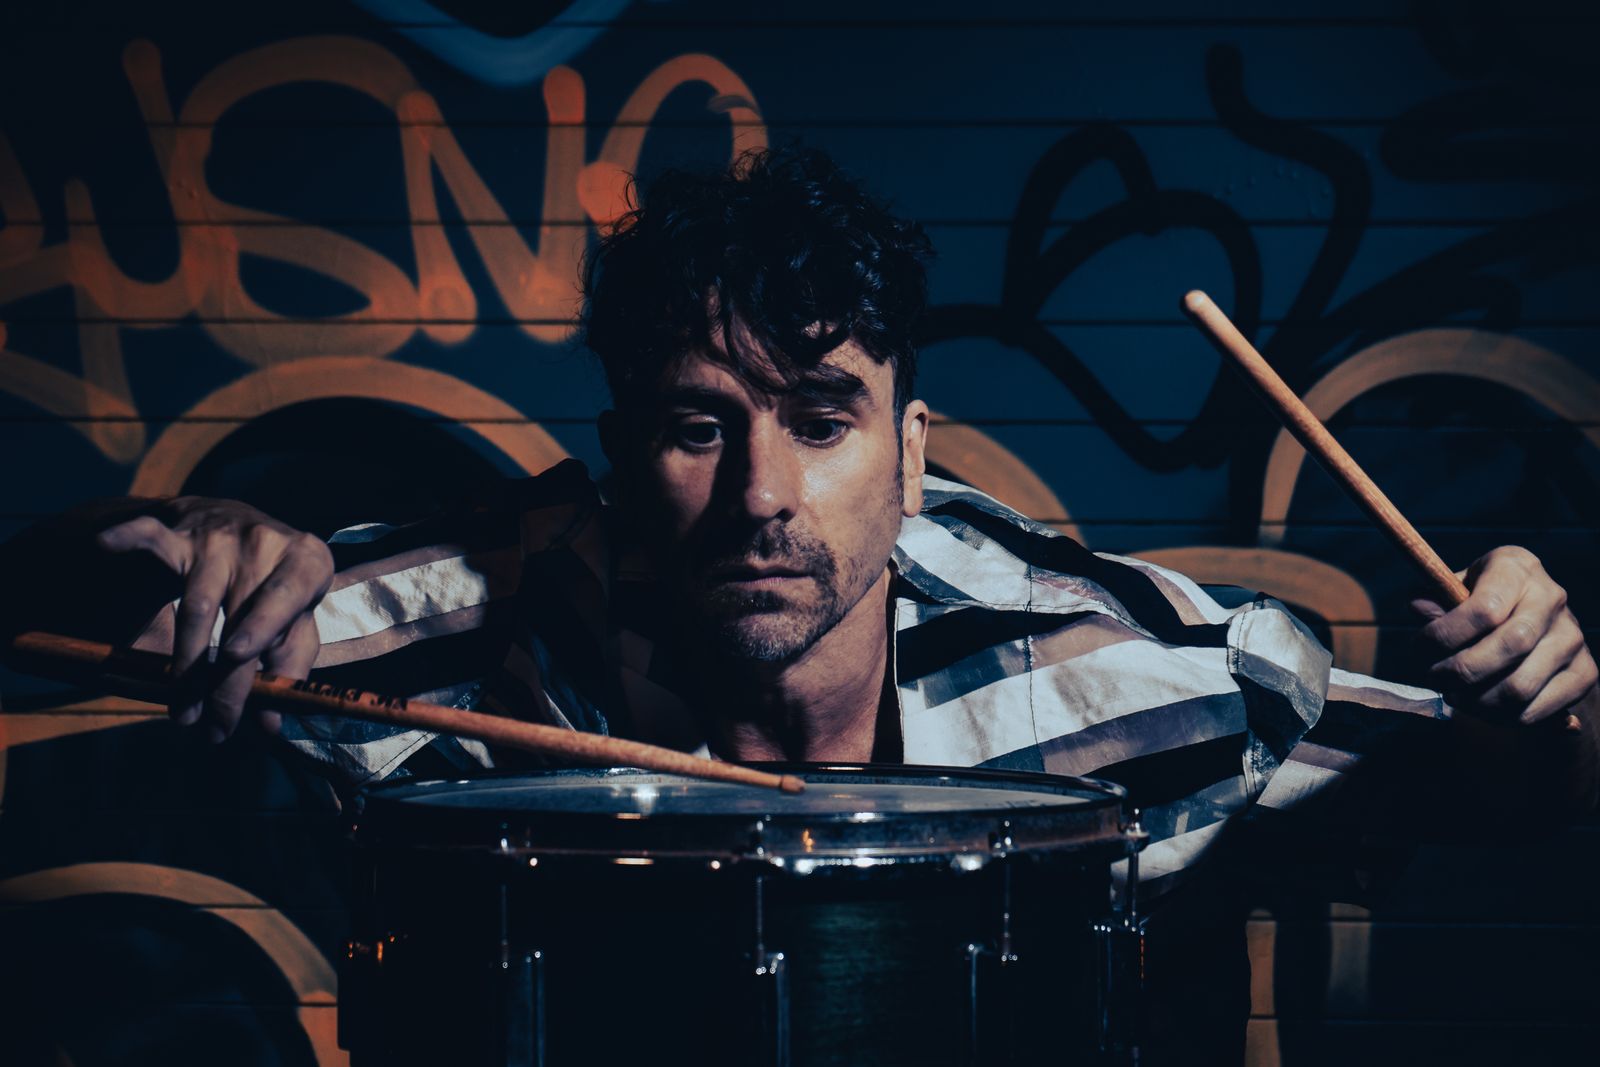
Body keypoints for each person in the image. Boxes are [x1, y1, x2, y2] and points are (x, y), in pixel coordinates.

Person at [2, 146, 1596, 1062]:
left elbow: (1502, 789)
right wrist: (170, 533)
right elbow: (66, 614)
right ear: (622, 455)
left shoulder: (1119, 677)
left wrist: (1543, 690)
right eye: (700, 427)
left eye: (821, 422)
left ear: (911, 453)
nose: (762, 493)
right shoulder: (478, 619)